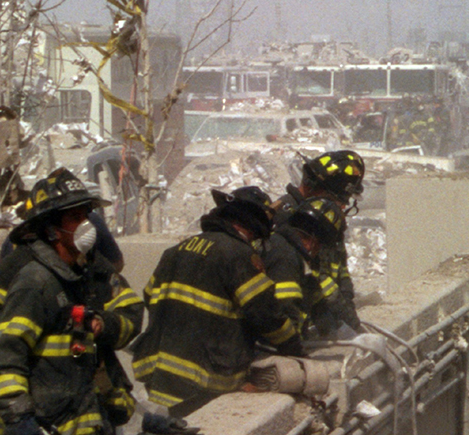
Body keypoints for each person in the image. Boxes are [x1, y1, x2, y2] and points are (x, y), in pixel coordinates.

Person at [0, 170, 135, 435]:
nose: (86, 224)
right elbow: (7, 353)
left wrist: (102, 324)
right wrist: (17, 415)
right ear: (52, 228)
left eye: (87, 215)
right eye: (75, 217)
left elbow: (121, 320)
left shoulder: (84, 274)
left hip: (83, 431)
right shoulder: (33, 280)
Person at [130, 187, 306, 416]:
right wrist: (294, 347)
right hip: (204, 382)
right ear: (251, 225)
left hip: (162, 377)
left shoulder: (176, 251)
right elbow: (265, 315)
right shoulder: (239, 255)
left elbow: (150, 295)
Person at [284, 150, 367, 335]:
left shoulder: (325, 218)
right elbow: (316, 279)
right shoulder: (290, 218)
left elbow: (339, 266)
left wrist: (347, 303)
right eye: (338, 198)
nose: (343, 206)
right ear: (317, 188)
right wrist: (350, 324)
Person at [264, 197, 346, 339]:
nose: (318, 252)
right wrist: (295, 345)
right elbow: (285, 310)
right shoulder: (285, 255)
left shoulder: (292, 251)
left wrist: (333, 331)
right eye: (321, 246)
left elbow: (317, 302)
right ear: (312, 242)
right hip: (268, 347)